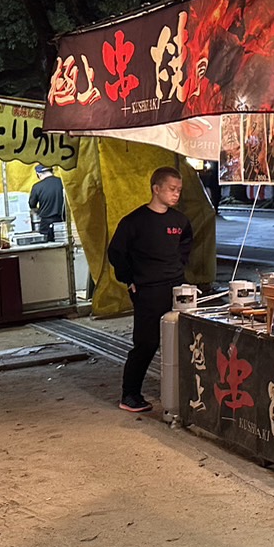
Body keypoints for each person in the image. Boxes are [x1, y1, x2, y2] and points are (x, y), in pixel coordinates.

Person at [107, 167, 193, 414]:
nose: (176, 194)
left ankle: (180, 392)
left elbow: (186, 244)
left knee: (181, 339)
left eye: (179, 190)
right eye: (171, 189)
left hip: (176, 287)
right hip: (147, 288)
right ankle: (130, 394)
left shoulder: (179, 221)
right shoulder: (134, 222)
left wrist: (179, 267)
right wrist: (129, 279)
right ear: (156, 189)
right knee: (147, 342)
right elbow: (116, 253)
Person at [28, 164, 66, 237]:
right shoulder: (62, 183)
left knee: (48, 245)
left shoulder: (37, 187)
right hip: (62, 221)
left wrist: (38, 210)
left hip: (46, 223)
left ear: (38, 174)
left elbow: (32, 205)